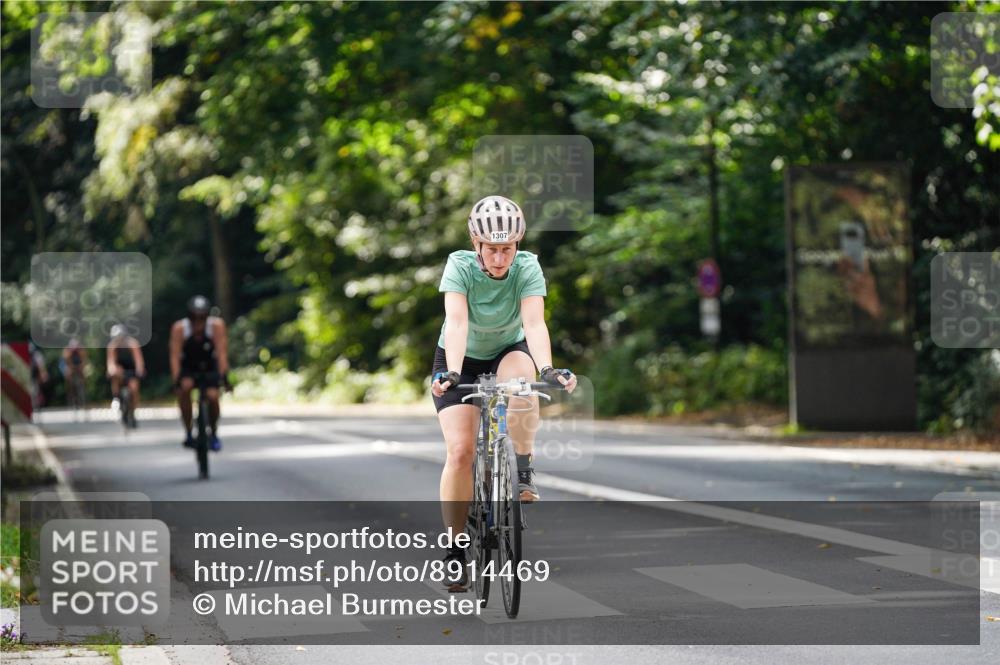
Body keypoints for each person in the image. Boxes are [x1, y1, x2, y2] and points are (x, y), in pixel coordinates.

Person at [430, 194, 577, 591]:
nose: (500, 258)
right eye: (492, 249)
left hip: (508, 349)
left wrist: (548, 368)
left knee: (524, 385)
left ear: (517, 246)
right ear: (477, 245)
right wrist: (454, 372)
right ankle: (456, 550)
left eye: (507, 249)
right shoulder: (459, 266)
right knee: (460, 452)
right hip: (460, 356)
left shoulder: (527, 267)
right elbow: (456, 323)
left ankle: (523, 470)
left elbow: (534, 322)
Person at [169, 295, 230, 451]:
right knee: (185, 388)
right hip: (188, 366)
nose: (198, 321)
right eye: (194, 317)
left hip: (209, 365)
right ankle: (189, 431)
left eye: (202, 317)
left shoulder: (216, 326)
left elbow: (222, 354)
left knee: (213, 396)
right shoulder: (180, 328)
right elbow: (175, 356)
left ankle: (213, 432)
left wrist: (225, 377)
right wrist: (176, 380)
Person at [106, 324, 145, 427]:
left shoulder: (133, 344)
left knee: (134, 389)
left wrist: (139, 371)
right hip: (120, 370)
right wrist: (112, 371)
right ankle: (117, 397)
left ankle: (133, 412)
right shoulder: (112, 346)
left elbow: (138, 361)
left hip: (131, 369)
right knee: (115, 376)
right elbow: (111, 363)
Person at [60, 338, 89, 411]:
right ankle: (71, 394)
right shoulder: (67, 351)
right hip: (69, 365)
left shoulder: (81, 350)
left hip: (78, 365)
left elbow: (84, 361)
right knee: (68, 374)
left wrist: (81, 369)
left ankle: (83, 395)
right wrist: (71, 369)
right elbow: (67, 363)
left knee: (84, 375)